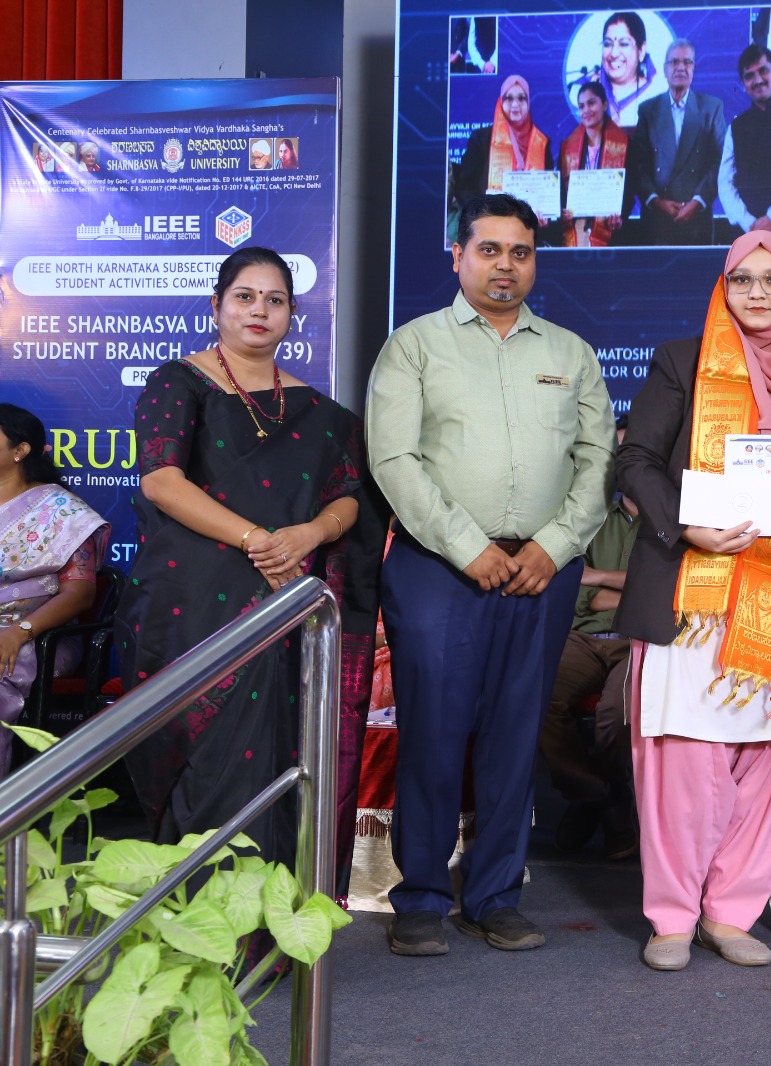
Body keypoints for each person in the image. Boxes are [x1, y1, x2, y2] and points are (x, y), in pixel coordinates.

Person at [367, 194, 614, 957]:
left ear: (535, 261)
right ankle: (420, 895)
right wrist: (467, 545)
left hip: (542, 571)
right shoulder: (414, 346)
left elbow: (597, 462)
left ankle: (496, 895)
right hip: (440, 566)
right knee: (434, 732)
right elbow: (394, 459)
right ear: (458, 256)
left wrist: (554, 546)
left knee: (515, 735)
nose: (505, 265)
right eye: (489, 249)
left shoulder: (570, 353)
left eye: (520, 252)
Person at [613, 232, 771, 972]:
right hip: (693, 597)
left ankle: (730, 912)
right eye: (743, 279)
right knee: (684, 762)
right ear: (723, 288)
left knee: (770, 761)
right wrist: (684, 524)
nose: (758, 293)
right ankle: (672, 917)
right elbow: (635, 459)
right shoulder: (682, 361)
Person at [116, 247, 381, 889]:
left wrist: (309, 535)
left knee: (280, 754)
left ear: (292, 314)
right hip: (193, 605)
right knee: (204, 762)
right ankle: (196, 913)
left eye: (275, 299)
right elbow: (161, 482)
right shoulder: (180, 383)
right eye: (245, 296)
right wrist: (257, 540)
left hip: (287, 604)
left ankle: (270, 921)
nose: (259, 310)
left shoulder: (322, 414)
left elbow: (351, 497)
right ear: (217, 305)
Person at [540, 414, 640, 859]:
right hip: (583, 638)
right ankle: (599, 794)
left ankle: (599, 796)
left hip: (640, 640)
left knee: (616, 714)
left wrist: (601, 579)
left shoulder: (676, 523)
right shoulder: (590, 518)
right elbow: (580, 594)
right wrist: (619, 587)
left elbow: (669, 593)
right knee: (536, 694)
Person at [0, 405, 109, 777]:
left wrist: (20, 632)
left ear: (20, 450)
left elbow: (80, 593)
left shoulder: (62, 512)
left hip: (36, 637)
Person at [627, 38, 726, 246]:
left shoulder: (711, 108)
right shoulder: (648, 110)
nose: (681, 67)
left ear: (694, 68)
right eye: (674, 62)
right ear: (664, 70)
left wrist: (697, 202)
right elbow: (637, 164)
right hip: (657, 221)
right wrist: (656, 201)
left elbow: (721, 162)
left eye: (687, 62)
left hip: (698, 220)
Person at [451, 75, 553, 242]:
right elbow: (464, 186)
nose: (515, 105)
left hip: (527, 234)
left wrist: (545, 214)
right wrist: (482, 212)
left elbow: (546, 193)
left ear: (529, 102)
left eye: (521, 98)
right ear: (500, 101)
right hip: (487, 233)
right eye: (508, 98)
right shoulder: (481, 138)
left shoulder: (542, 142)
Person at [718, 45, 771, 238]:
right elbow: (725, 183)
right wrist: (749, 223)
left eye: (763, 71)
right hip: (748, 233)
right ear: (743, 83)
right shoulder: (736, 127)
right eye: (749, 76)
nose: (757, 80)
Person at [555, 82, 629, 248]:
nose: (586, 110)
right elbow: (560, 192)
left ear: (604, 105)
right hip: (576, 231)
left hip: (610, 233)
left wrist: (620, 216)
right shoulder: (567, 147)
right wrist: (562, 212)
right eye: (581, 106)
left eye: (591, 103)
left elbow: (630, 190)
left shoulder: (624, 145)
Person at [589, 11, 664, 129]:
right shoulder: (586, 92)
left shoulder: (658, 95)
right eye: (607, 44)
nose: (614, 53)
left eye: (624, 44)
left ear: (641, 50)